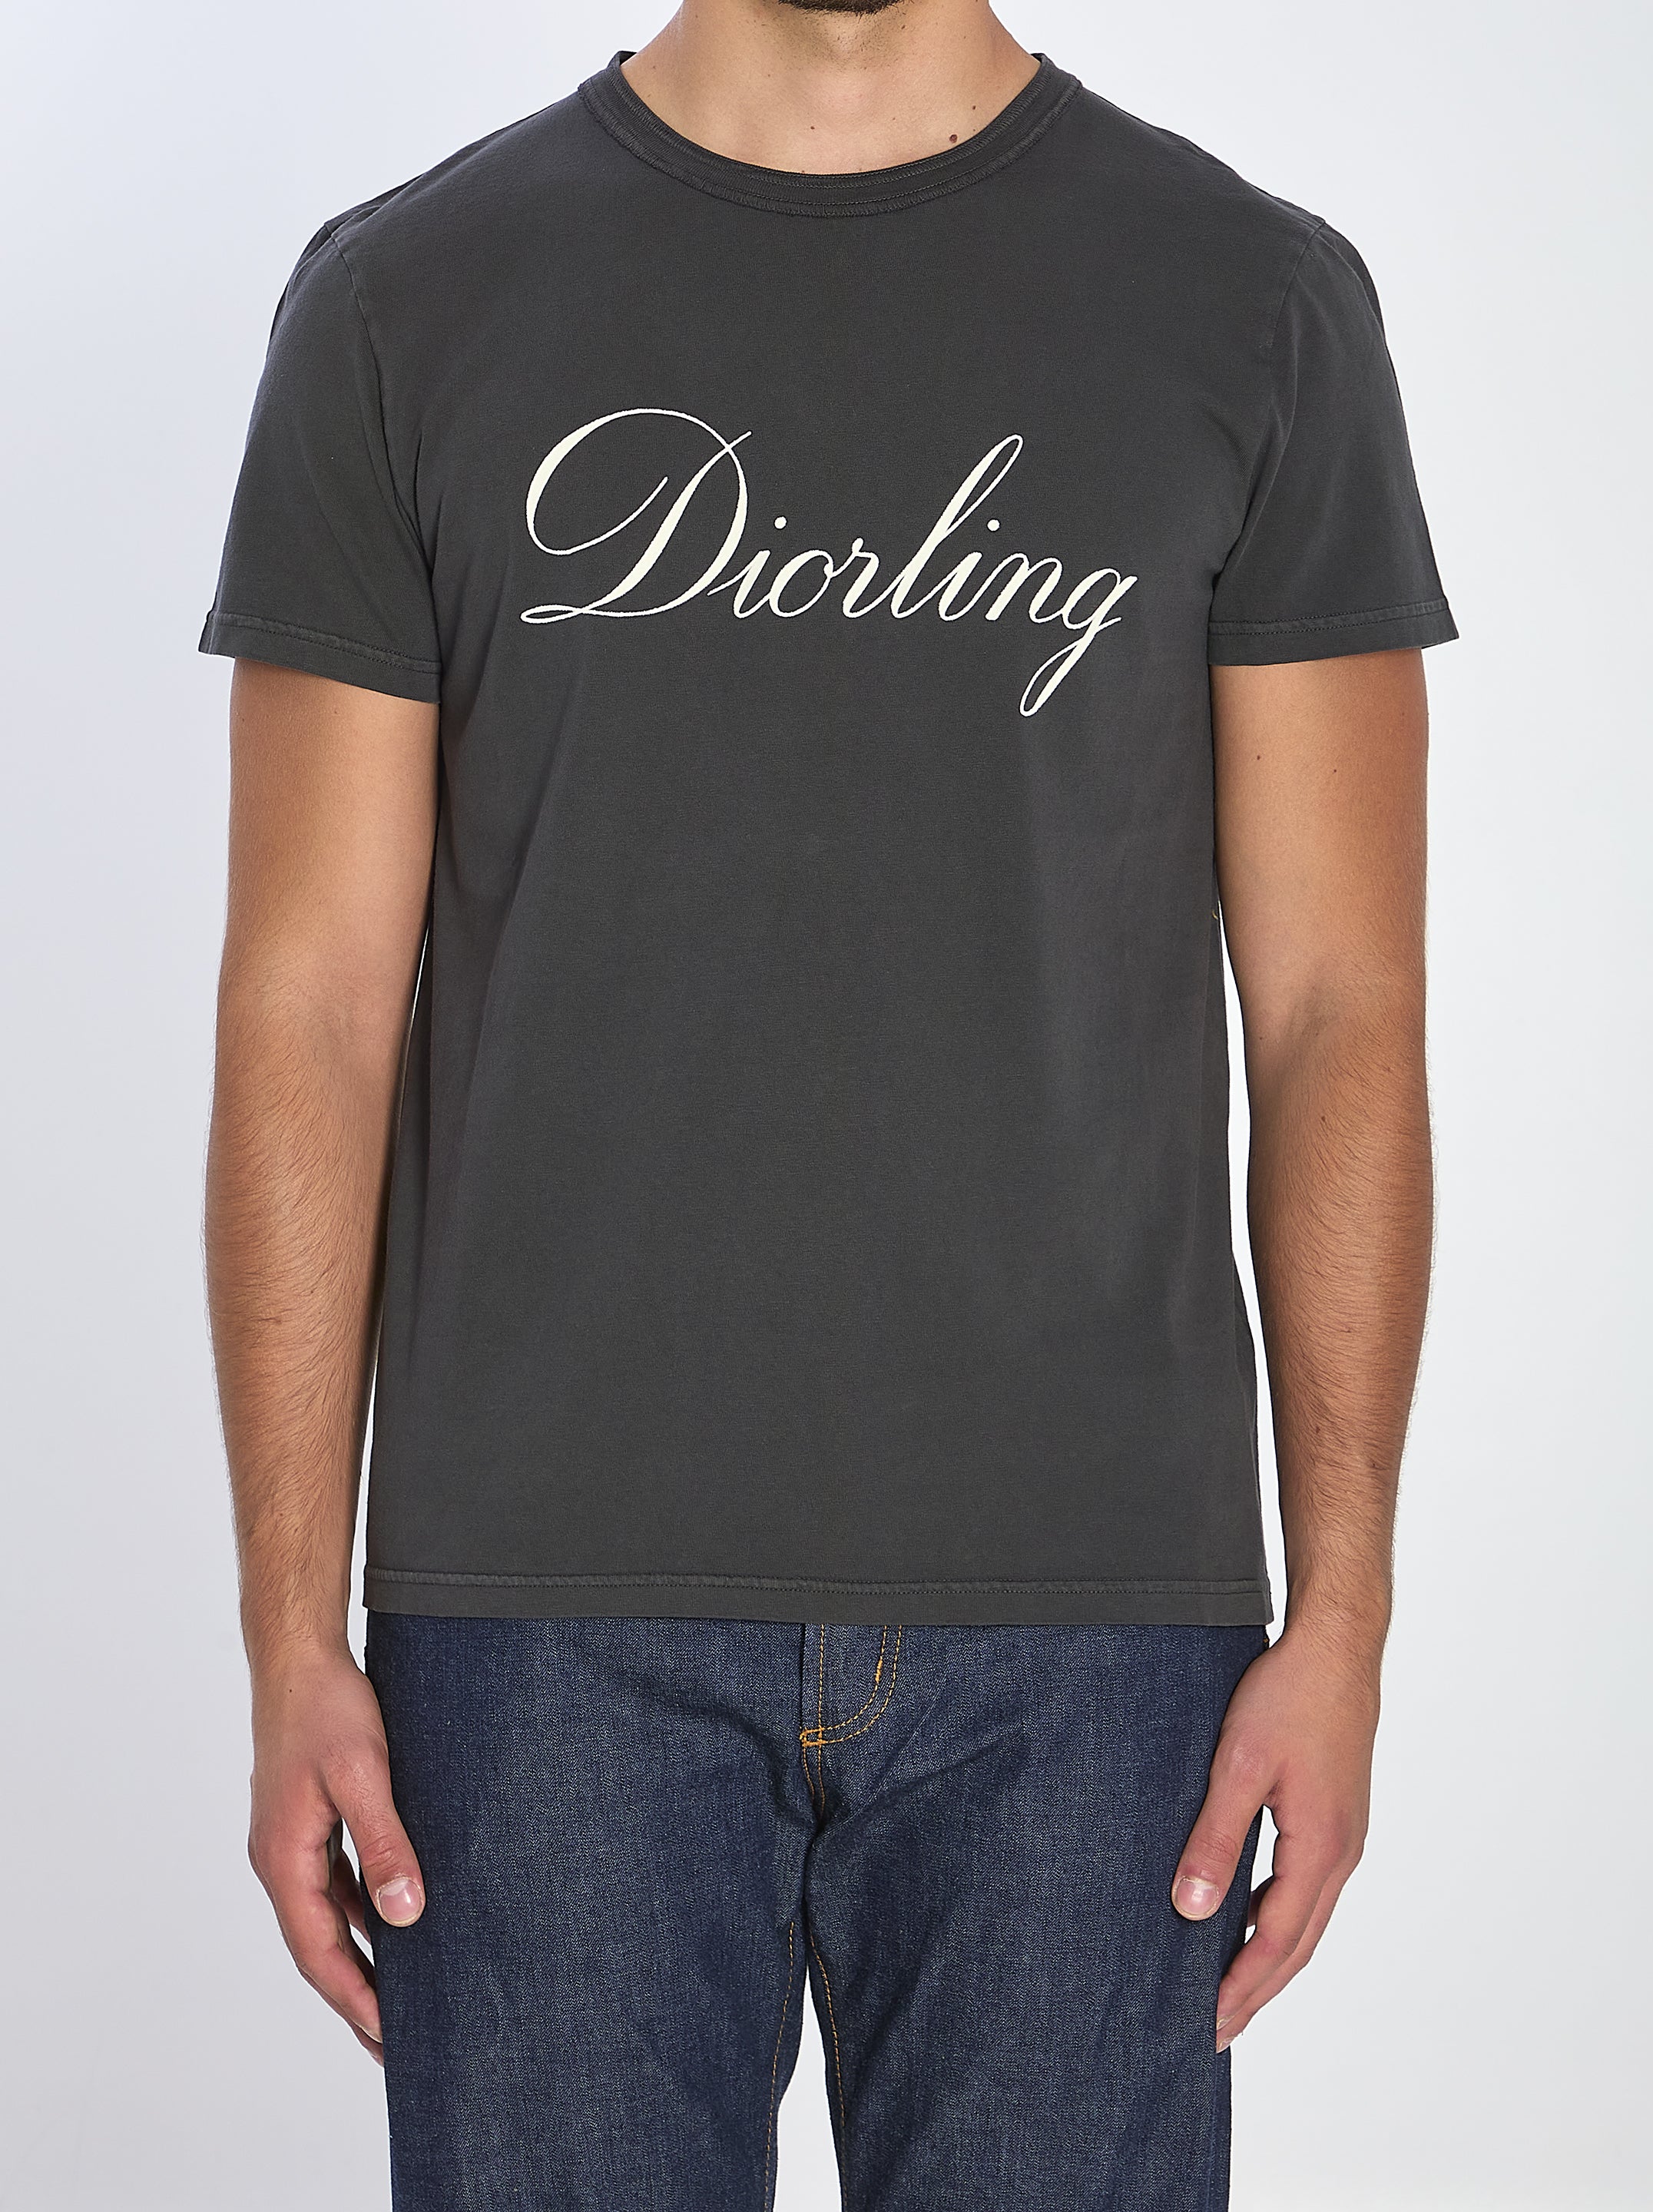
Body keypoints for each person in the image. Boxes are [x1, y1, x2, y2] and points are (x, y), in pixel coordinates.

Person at [199, 0, 1454, 2203]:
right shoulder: (408, 299)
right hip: (538, 1630)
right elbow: (306, 1008)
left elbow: (1339, 1008)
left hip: (1095, 1628)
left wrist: (1340, 1615)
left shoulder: (1254, 302)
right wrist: (287, 1630)